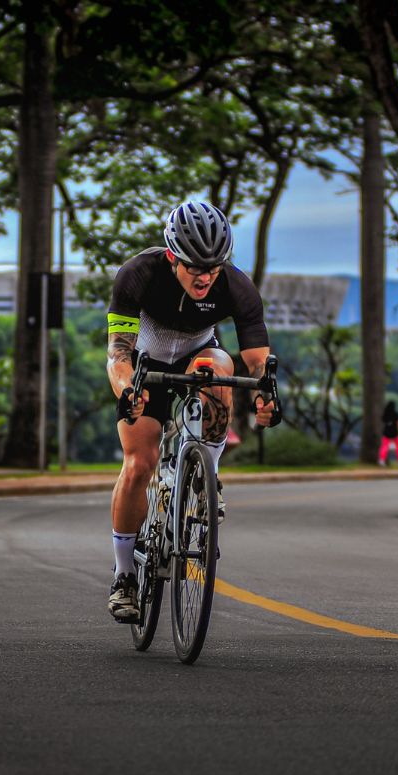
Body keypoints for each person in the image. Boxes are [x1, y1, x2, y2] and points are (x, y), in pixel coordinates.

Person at [105, 201, 277, 622]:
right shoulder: (138, 274)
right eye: (194, 266)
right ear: (172, 256)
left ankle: (208, 476)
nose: (204, 276)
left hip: (198, 353)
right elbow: (118, 353)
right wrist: (128, 390)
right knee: (139, 463)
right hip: (145, 361)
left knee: (222, 368)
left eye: (213, 267)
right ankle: (125, 573)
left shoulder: (236, 285)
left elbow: (257, 358)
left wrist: (265, 394)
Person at [379, 401, 398, 467]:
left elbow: (384, 421)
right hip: (395, 433)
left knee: (384, 446)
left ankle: (381, 460)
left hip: (386, 432)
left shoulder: (385, 414)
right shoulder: (396, 414)